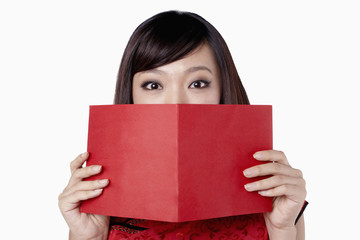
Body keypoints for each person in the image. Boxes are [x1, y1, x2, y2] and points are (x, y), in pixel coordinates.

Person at [58, 10, 307, 240]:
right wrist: (89, 237)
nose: (176, 102)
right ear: (131, 94)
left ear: (223, 89)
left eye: (198, 83)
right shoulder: (100, 199)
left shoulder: (274, 195)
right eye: (153, 85)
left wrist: (282, 231)